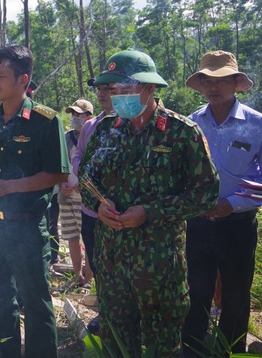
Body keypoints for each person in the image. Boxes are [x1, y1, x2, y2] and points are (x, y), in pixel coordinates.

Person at [79, 50, 219, 357]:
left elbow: (206, 193)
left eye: (125, 90)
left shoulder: (183, 133)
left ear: (149, 88)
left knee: (164, 348)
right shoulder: (105, 129)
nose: (117, 97)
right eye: (113, 91)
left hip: (159, 269)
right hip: (112, 264)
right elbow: (86, 177)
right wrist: (98, 206)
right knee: (116, 343)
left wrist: (150, 212)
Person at [0, 45, 69, 357]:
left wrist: (7, 187)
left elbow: (57, 174)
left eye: (1, 76)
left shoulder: (45, 121)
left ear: (23, 79)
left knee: (36, 302)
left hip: (27, 227)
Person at [182, 50, 262, 356]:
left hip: (238, 227)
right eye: (207, 79)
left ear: (236, 83)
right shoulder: (190, 124)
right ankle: (193, 350)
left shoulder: (256, 124)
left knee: (235, 297)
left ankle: (232, 351)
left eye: (222, 80)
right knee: (195, 293)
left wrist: (230, 204)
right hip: (198, 225)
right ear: (200, 84)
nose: (214, 86)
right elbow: (183, 172)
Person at [70, 78, 114, 333]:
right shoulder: (91, 126)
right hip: (91, 210)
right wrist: (82, 174)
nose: (102, 94)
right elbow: (79, 156)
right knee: (97, 261)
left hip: (119, 212)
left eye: (107, 89)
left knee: (119, 265)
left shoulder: (135, 124)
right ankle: (105, 311)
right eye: (99, 89)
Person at [27, 79, 61, 271]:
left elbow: (56, 171)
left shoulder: (45, 121)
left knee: (51, 225)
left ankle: (53, 257)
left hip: (36, 206)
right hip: (3, 215)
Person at [60, 99, 94, 289]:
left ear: (88, 116)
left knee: (88, 238)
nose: (74, 119)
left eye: (78, 115)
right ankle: (77, 275)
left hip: (86, 198)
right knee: (71, 236)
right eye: (72, 115)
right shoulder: (65, 137)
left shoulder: (95, 135)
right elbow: (59, 165)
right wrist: (62, 184)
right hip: (67, 195)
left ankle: (90, 278)